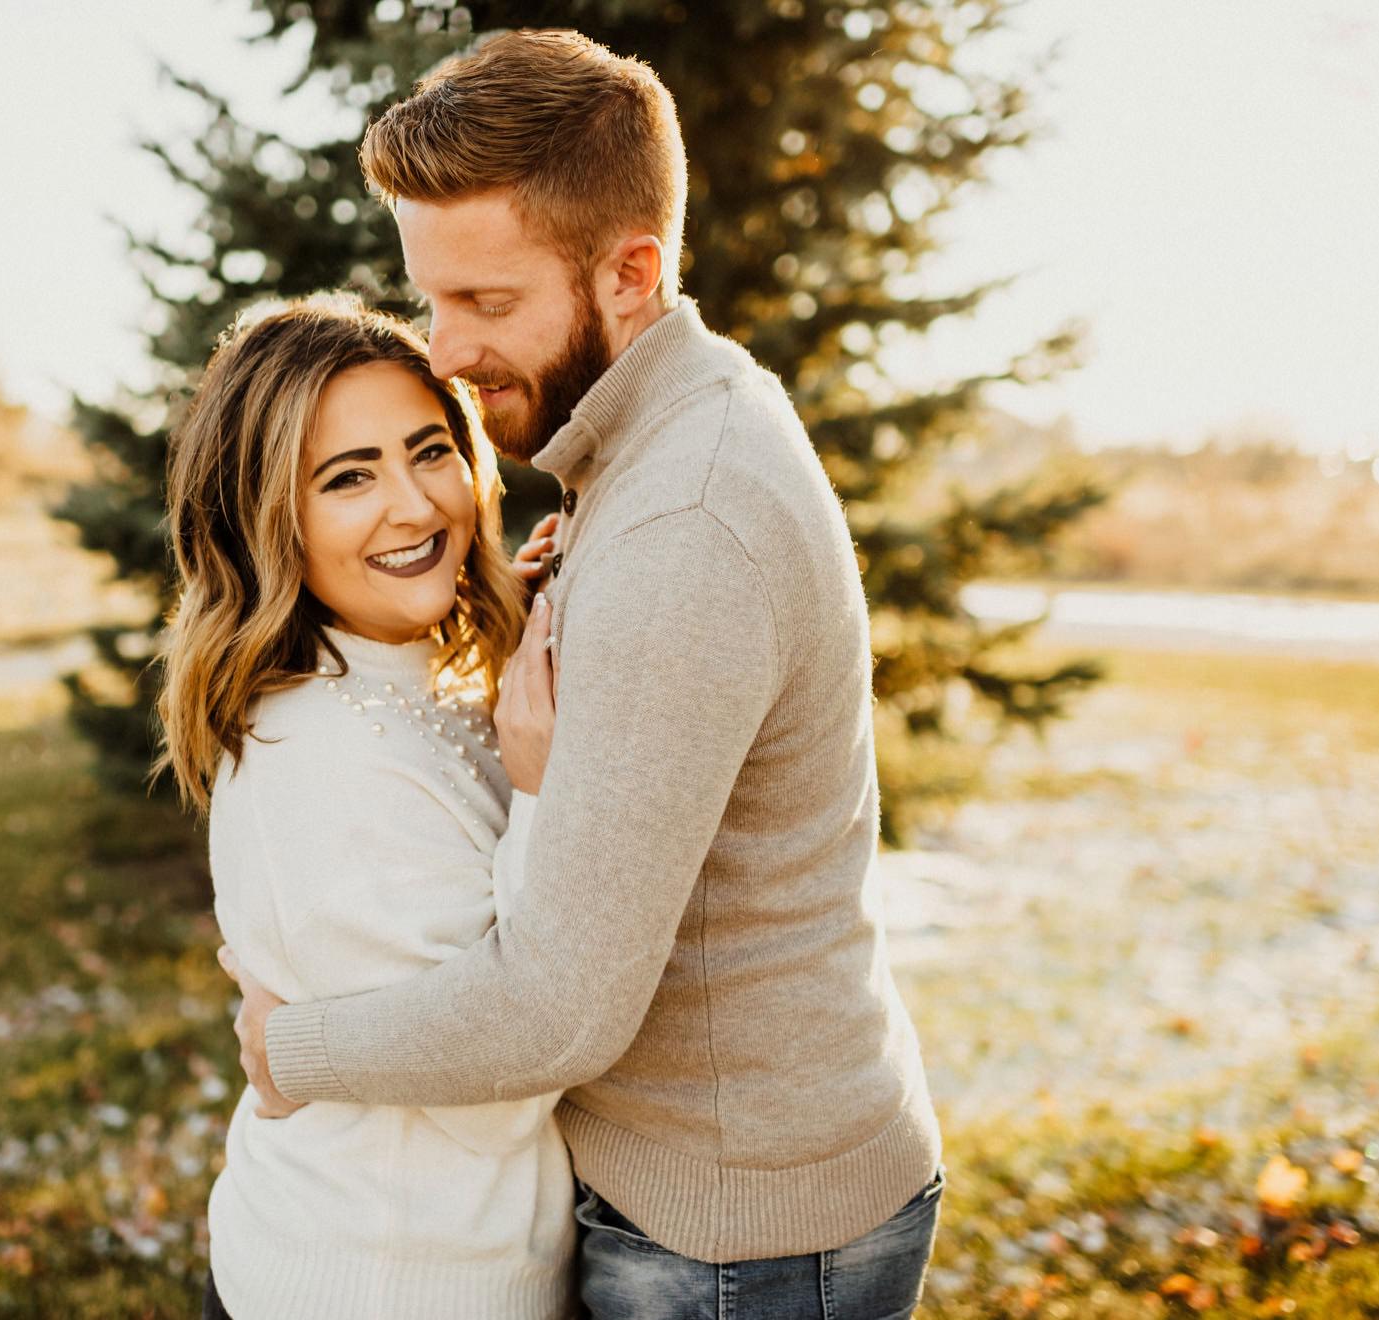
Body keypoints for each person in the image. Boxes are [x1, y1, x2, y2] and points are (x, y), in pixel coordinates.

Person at [218, 29, 947, 1320]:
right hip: (720, 1184)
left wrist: (293, 1047)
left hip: (735, 1233)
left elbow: (556, 1013)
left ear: (632, 270)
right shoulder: (669, 432)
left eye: (487, 304)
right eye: (431, 297)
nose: (441, 351)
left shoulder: (683, 516)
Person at [155, 293, 578, 1319]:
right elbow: (501, 1081)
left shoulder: (412, 670)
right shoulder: (315, 757)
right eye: (348, 478)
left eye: (428, 451)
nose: (415, 505)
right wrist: (537, 788)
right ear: (268, 521)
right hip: (380, 1286)